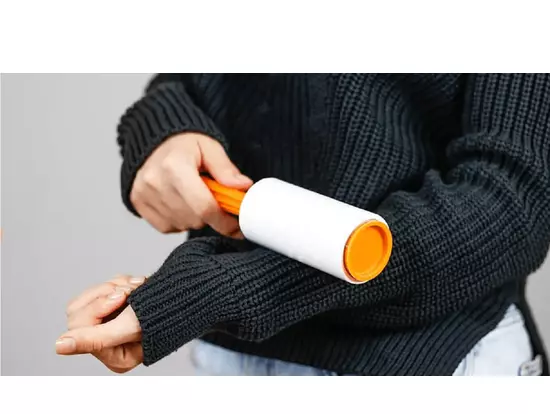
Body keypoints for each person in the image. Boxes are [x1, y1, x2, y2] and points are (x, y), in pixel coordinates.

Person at [56, 74, 550, 376]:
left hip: (424, 363)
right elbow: (193, 78)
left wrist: (223, 290)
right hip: (230, 357)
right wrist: (165, 127)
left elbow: (511, 200)